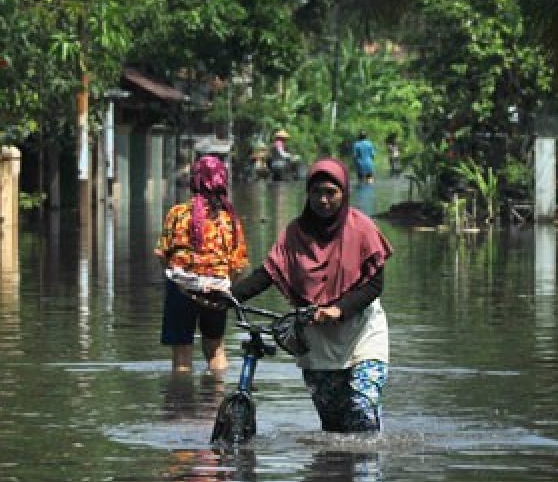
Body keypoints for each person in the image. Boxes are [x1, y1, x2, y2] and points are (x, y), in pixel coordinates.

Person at [229, 158, 392, 433]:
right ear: (308, 194)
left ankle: (368, 471)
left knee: (362, 409)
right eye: (317, 192)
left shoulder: (362, 229)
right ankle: (331, 474)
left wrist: (339, 309)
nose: (324, 200)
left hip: (362, 331)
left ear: (344, 193)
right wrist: (227, 296)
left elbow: (374, 284)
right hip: (316, 334)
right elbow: (268, 274)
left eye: (331, 192)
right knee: (333, 425)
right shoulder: (294, 233)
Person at [155, 155, 248, 373]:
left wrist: (176, 280)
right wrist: (223, 285)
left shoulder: (178, 213)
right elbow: (239, 264)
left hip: (182, 288)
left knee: (182, 355)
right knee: (216, 349)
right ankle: (217, 402)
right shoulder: (229, 219)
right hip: (218, 290)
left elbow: (162, 254)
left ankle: (181, 404)